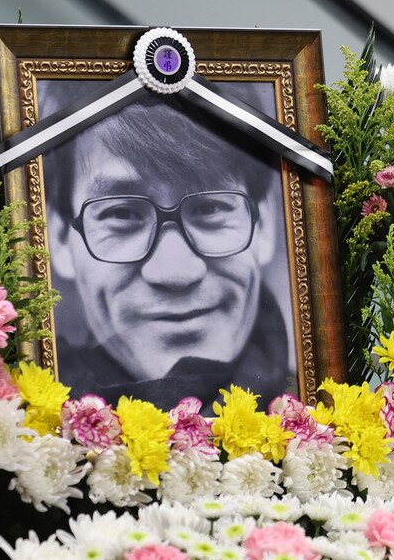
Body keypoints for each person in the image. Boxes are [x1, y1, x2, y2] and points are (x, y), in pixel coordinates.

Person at [41, 82, 295, 413]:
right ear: (59, 238)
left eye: (209, 209)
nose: (176, 272)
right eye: (122, 213)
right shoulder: (19, 432)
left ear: (265, 223)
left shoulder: (333, 425)